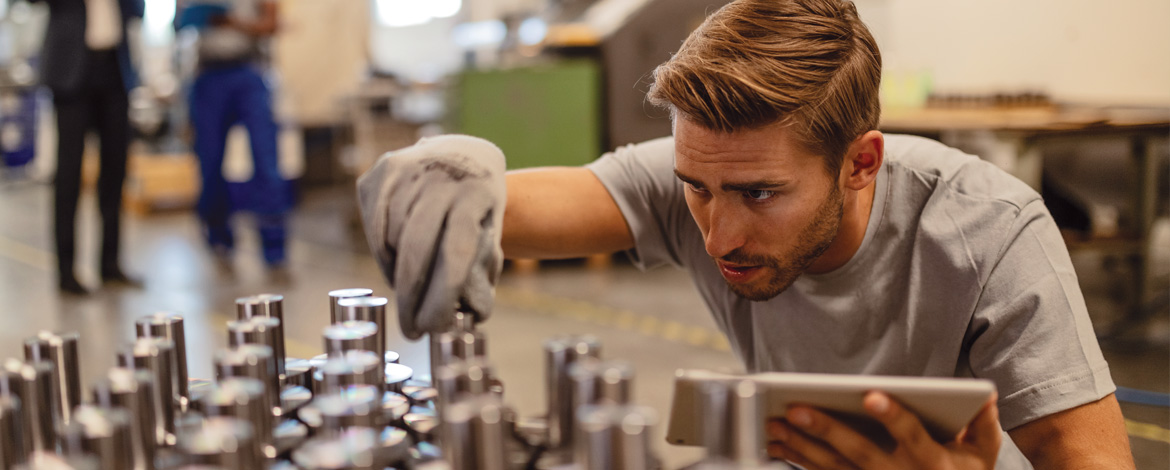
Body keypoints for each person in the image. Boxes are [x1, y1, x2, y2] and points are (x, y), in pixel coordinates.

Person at [356, 1, 1134, 468]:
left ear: (860, 163)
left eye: (760, 193)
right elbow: (527, 207)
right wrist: (455, 173)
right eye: (695, 188)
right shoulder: (711, 170)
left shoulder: (992, 230)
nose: (719, 230)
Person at [33, 0, 145, 294]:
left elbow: (138, 11)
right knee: (68, 175)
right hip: (72, 71)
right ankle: (66, 271)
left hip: (114, 69)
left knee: (115, 171)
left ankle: (110, 264)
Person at [182, 0, 290, 266]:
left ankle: (274, 249)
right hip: (208, 77)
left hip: (248, 74)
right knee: (210, 163)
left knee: (266, 162)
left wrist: (233, 22)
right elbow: (179, 23)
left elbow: (272, 23)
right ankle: (219, 241)